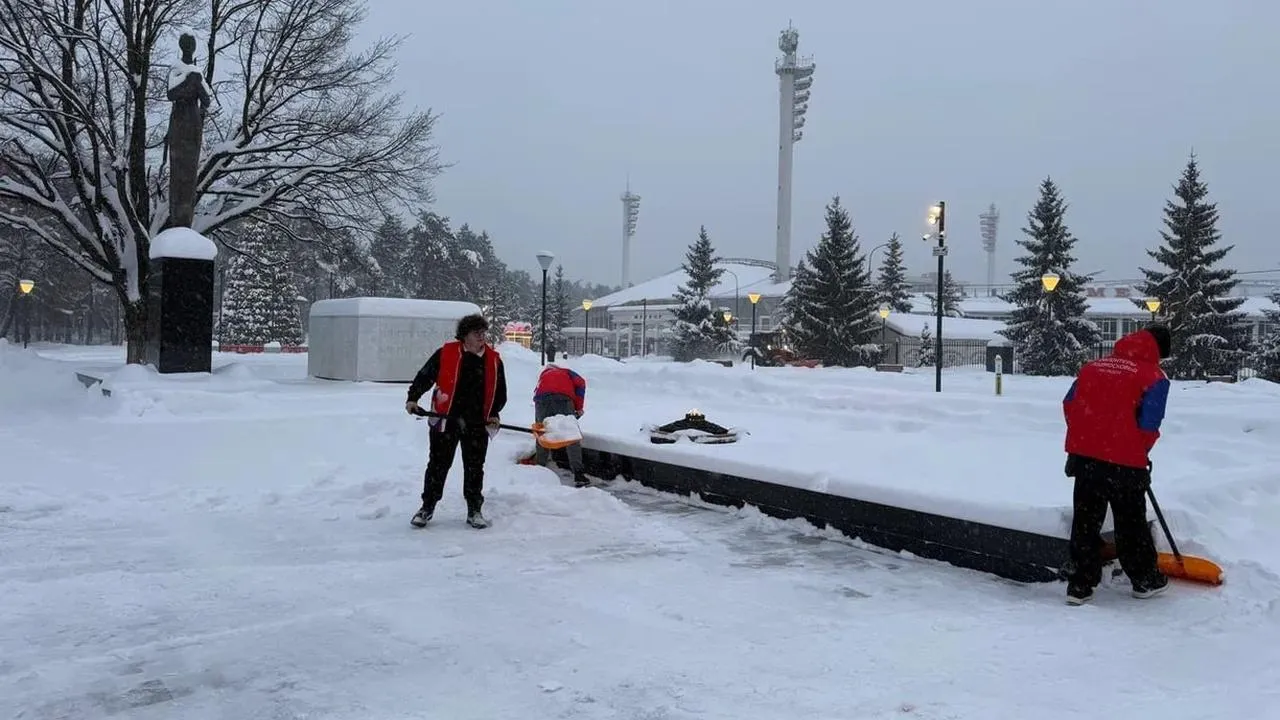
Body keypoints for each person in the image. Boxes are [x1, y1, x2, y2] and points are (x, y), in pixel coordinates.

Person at [1061, 324, 1172, 605]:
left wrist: (1087, 438)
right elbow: (1150, 423)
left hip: (1085, 458)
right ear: (1159, 349)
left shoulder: (1093, 367)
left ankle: (1080, 584)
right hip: (1125, 462)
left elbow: (1070, 404)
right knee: (1130, 522)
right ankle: (1144, 580)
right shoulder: (1154, 376)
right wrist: (1138, 449)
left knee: (1086, 520)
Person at [404, 314, 507, 529]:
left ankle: (474, 510)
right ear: (464, 336)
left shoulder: (494, 360)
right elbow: (425, 376)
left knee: (475, 467)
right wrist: (413, 398)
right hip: (446, 420)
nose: (481, 337)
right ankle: (427, 507)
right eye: (476, 333)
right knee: (438, 465)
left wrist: (495, 413)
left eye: (483, 332)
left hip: (477, 423)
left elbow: (500, 392)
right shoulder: (446, 353)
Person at [533, 363, 590, 487]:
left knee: (542, 432)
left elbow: (537, 395)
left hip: (541, 401)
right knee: (570, 434)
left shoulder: (542, 377)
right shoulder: (566, 372)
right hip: (563, 399)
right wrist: (579, 408)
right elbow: (581, 382)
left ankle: (538, 469)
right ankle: (578, 474)